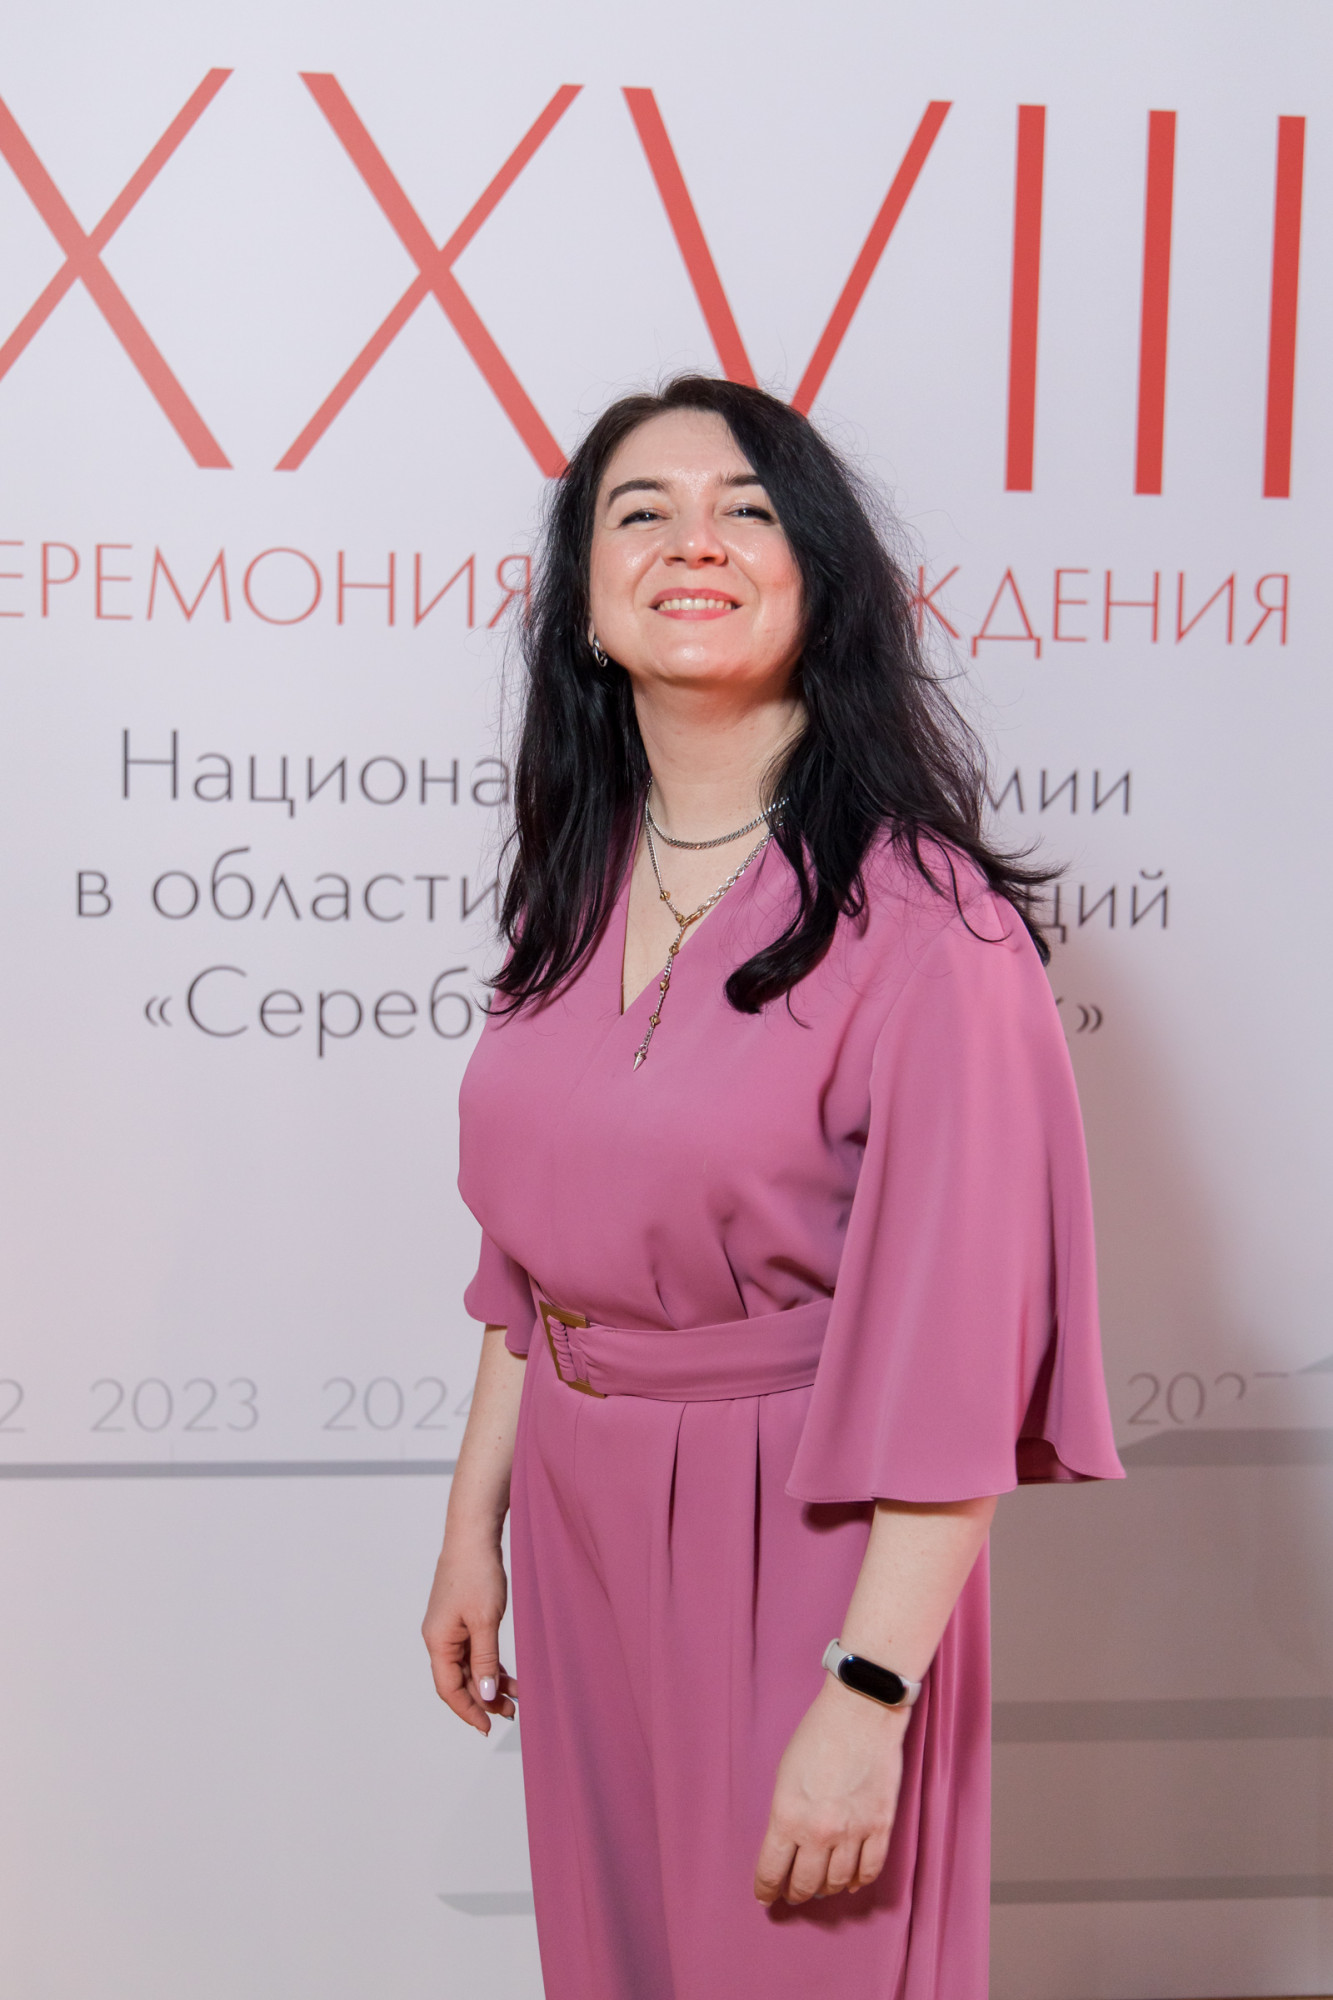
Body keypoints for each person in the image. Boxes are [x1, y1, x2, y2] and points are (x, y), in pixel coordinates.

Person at [422, 374, 1122, 1999]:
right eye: (641, 512)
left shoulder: (930, 928)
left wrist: (869, 1695)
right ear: (584, 604)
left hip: (806, 1533)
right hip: (581, 1518)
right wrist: (473, 1528)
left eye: (745, 510)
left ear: (818, 580)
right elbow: (530, 1265)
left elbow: (956, 1364)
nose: (694, 542)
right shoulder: (577, 884)